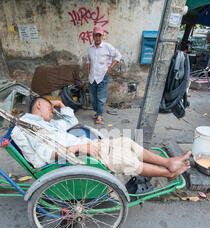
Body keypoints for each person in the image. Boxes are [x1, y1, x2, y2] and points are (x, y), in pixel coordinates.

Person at [11, 97, 191, 179]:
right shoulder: (29, 126)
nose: (53, 113)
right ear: (39, 105)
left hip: (87, 146)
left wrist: (58, 103)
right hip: (79, 154)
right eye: (50, 109)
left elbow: (71, 120)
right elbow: (46, 153)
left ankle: (167, 163)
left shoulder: (46, 124)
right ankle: (169, 172)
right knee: (125, 159)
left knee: (126, 142)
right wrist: (79, 149)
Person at [87, 25, 122, 125]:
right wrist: (88, 73)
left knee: (101, 98)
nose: (97, 37)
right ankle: (97, 112)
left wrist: (111, 67)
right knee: (93, 99)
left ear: (102, 36)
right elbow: (88, 62)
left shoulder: (107, 47)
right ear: (93, 36)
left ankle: (99, 116)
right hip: (92, 77)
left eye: (99, 35)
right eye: (95, 35)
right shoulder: (90, 48)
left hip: (103, 76)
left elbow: (118, 55)